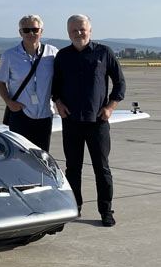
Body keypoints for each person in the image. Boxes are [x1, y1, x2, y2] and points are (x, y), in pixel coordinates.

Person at [52, 14, 125, 227]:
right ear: (68, 33)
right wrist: (58, 101)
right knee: (73, 168)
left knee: (101, 168)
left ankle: (106, 210)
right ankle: (75, 206)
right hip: (71, 121)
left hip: (98, 121)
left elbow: (120, 83)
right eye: (74, 30)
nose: (79, 33)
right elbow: (55, 84)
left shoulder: (105, 52)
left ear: (90, 31)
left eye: (82, 29)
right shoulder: (63, 56)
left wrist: (110, 107)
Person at [0, 15, 57, 151]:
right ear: (20, 32)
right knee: (20, 156)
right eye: (26, 30)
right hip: (21, 113)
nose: (31, 33)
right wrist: (9, 103)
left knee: (42, 155)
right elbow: (0, 81)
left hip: (45, 113)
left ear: (41, 31)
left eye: (35, 29)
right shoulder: (10, 55)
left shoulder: (52, 53)